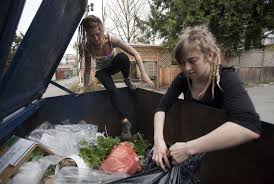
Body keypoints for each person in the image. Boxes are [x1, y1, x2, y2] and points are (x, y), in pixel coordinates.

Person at [152, 25, 262, 170]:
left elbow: (249, 125)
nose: (187, 68)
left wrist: (188, 148)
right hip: (196, 157)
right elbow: (162, 108)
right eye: (183, 63)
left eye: (192, 61)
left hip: (222, 159)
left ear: (209, 55)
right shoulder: (184, 79)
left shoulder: (226, 78)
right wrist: (158, 140)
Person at [77, 15, 154, 141]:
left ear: (101, 29)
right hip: (102, 72)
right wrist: (85, 87)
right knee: (113, 90)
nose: (96, 38)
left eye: (98, 34)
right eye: (92, 36)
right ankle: (125, 122)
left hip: (115, 65)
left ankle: (127, 79)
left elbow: (135, 53)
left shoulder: (111, 40)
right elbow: (87, 68)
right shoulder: (87, 47)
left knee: (123, 57)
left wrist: (143, 73)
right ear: (87, 35)